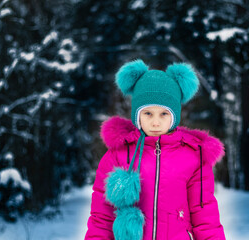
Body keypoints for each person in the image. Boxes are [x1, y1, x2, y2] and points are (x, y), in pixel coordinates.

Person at [85, 59, 226, 240]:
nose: (156, 122)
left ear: (174, 116)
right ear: (137, 114)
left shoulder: (193, 156)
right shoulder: (118, 155)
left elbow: (205, 217)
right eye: (148, 113)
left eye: (164, 113)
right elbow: (102, 218)